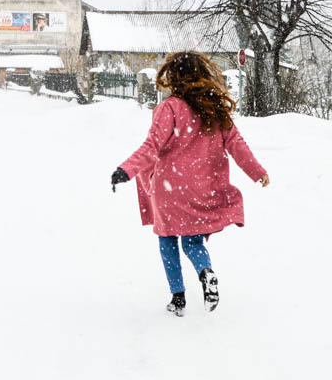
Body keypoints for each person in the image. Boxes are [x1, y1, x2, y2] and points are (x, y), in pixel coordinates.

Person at [110, 51, 270, 316]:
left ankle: (178, 297)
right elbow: (236, 144)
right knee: (193, 242)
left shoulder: (169, 108)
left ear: (174, 76)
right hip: (201, 186)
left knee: (167, 239)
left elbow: (152, 146)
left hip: (170, 188)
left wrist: (126, 170)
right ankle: (206, 272)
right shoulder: (215, 109)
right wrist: (257, 171)